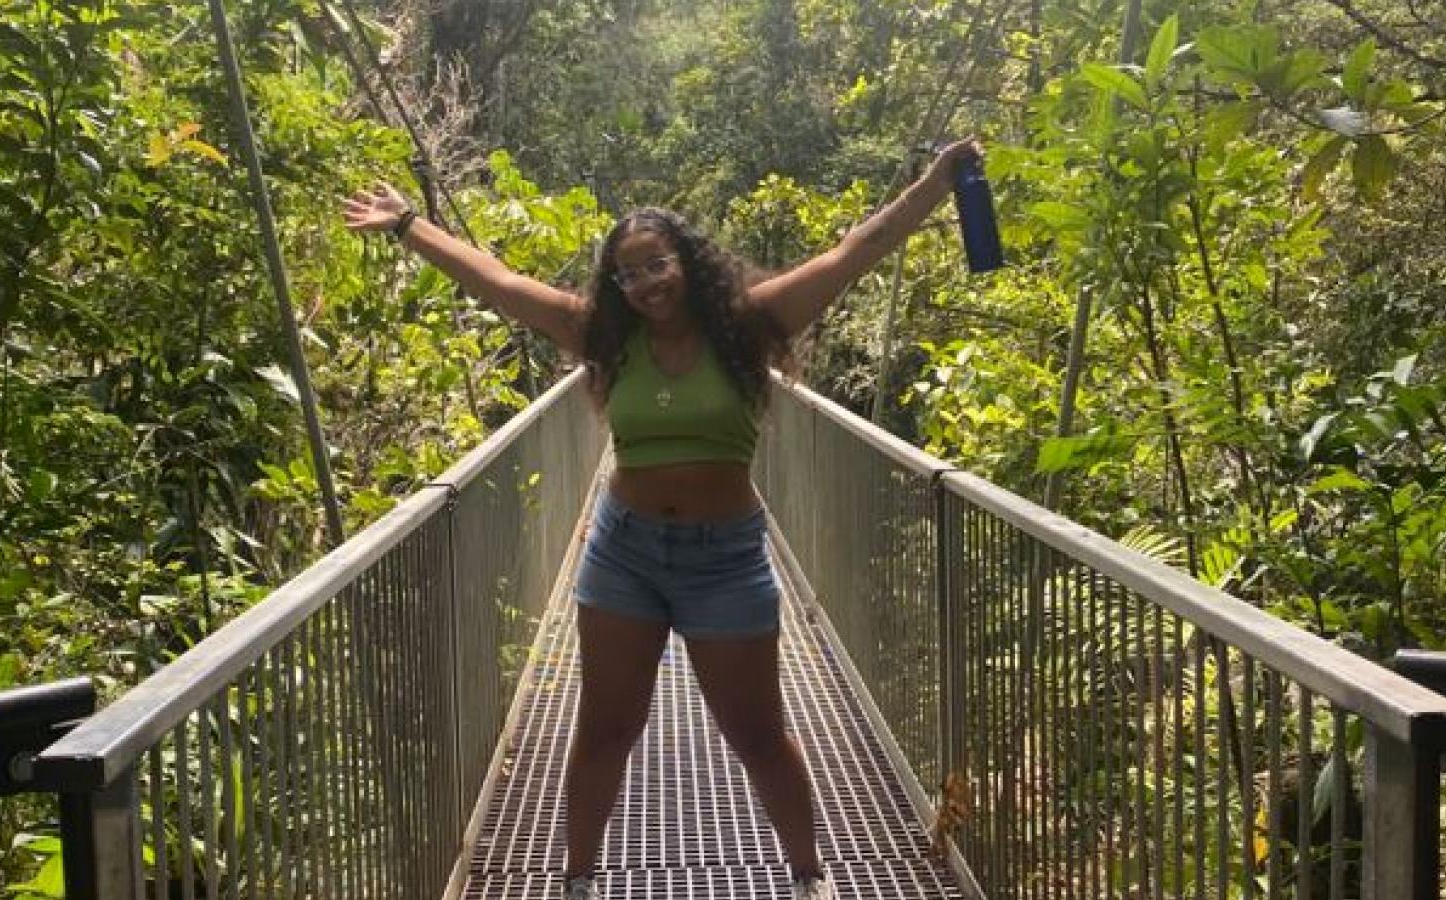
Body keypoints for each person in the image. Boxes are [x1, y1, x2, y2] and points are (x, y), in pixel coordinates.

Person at [341, 139, 982, 900]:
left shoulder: (750, 326)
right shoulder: (608, 339)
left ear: (689, 261)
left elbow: (856, 251)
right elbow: (503, 285)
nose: (646, 283)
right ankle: (577, 881)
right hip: (624, 554)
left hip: (727, 560)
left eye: (658, 264)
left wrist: (940, 183)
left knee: (757, 736)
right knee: (606, 729)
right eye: (629, 272)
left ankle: (810, 877)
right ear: (616, 285)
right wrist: (408, 223)